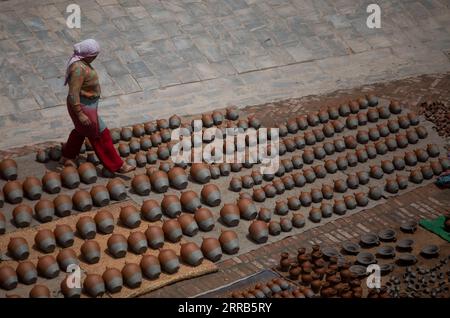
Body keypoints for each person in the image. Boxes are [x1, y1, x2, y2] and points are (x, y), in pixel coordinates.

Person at [60, 39, 135, 173]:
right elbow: (73, 93)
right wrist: (80, 113)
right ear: (88, 55)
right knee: (100, 134)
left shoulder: (82, 64)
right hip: (82, 107)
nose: (95, 58)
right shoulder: (78, 69)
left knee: (81, 131)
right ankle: (117, 165)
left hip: (88, 105)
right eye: (95, 55)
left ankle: (67, 156)